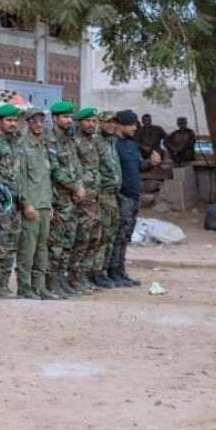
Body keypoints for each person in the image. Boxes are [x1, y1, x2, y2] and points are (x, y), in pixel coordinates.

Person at [46, 101, 86, 298]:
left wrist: (79, 186)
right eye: (65, 117)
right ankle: (51, 281)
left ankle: (61, 279)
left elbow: (77, 167)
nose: (69, 120)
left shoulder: (70, 142)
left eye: (70, 117)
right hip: (58, 200)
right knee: (56, 243)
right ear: (55, 119)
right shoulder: (51, 141)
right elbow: (54, 170)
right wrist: (75, 186)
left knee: (68, 241)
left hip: (72, 200)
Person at [0, 104, 24, 298]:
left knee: (12, 243)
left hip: (17, 201)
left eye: (14, 120)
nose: (13, 124)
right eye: (8, 120)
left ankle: (5, 283)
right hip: (1, 202)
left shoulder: (16, 143)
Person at [16, 108, 54, 300]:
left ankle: (39, 286)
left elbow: (45, 178)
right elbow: (20, 179)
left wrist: (50, 203)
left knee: (41, 249)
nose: (39, 125)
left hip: (44, 205)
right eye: (34, 121)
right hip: (31, 206)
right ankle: (24, 286)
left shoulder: (43, 146)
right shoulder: (23, 146)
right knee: (27, 249)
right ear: (28, 123)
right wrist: (26, 203)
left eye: (42, 121)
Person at [108, 110, 149, 286]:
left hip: (133, 197)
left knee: (126, 236)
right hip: (121, 196)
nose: (135, 128)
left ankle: (121, 270)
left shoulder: (131, 146)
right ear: (121, 125)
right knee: (118, 235)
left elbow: (140, 166)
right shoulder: (113, 146)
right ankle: (112, 271)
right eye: (132, 124)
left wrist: (151, 163)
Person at [92, 112, 124, 288]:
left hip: (113, 195)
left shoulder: (112, 142)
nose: (111, 125)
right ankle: (96, 272)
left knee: (111, 234)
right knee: (101, 235)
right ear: (100, 123)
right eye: (108, 122)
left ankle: (104, 270)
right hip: (101, 194)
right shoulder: (96, 141)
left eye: (114, 122)